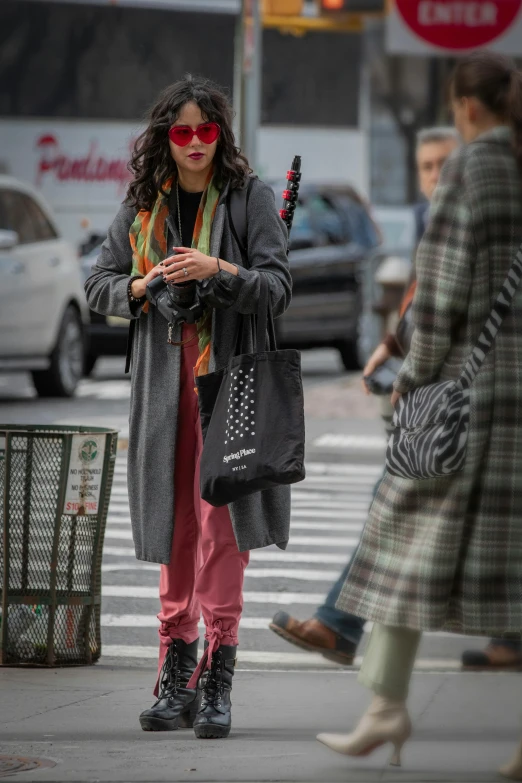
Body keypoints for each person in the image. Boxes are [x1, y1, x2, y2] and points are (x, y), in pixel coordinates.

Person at [316, 51, 522, 780]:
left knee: (399, 535)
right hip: (513, 392)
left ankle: (384, 708)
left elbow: (439, 291)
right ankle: (386, 708)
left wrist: (414, 374)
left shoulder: (471, 167)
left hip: (463, 397)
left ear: (466, 107)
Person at [85, 75, 292, 740]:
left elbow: (278, 287)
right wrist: (145, 285)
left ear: (221, 134)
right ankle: (175, 676)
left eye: (207, 130)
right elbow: (97, 285)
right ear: (165, 139)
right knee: (176, 526)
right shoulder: (145, 204)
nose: (197, 142)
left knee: (220, 526)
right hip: (163, 392)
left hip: (226, 387)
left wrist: (219, 273)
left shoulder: (249, 198)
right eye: (183, 131)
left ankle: (216, 673)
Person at [269, 126, 459, 667]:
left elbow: (453, 313)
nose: (434, 178)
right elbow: (425, 304)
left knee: (397, 505)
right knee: (405, 510)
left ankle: (342, 630)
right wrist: (393, 346)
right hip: (443, 396)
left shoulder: (474, 224)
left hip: (460, 399)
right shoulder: (435, 225)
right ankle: (344, 632)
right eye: (425, 167)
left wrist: (412, 369)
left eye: (444, 165)